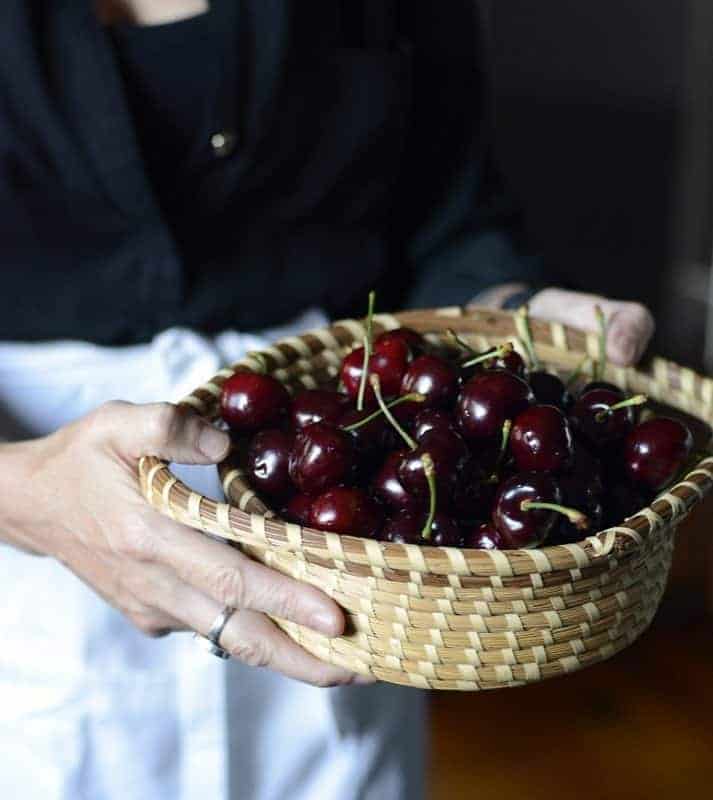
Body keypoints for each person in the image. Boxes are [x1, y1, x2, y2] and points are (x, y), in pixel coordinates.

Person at [0, 2, 655, 799]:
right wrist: (19, 489)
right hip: (38, 522)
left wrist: (507, 320)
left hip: (355, 490)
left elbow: (447, 221)